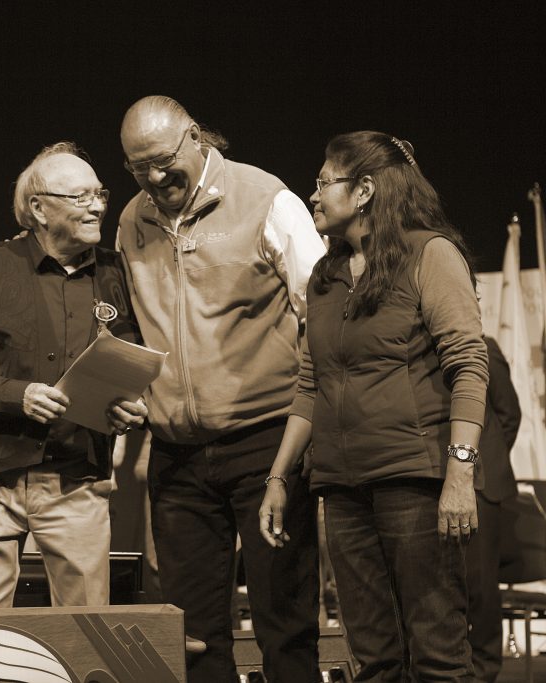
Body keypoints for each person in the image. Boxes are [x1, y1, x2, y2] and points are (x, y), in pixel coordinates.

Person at [259, 131, 489, 681]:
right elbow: (311, 383)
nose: (313, 195)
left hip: (414, 482)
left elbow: (468, 364)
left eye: (323, 183)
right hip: (342, 488)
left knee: (437, 653)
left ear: (363, 191)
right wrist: (278, 476)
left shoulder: (429, 254)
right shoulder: (325, 276)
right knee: (374, 658)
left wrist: (459, 474)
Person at [116, 96, 326, 682]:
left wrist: (307, 425)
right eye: (138, 168)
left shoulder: (267, 199)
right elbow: (131, 325)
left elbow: (321, 314)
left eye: (163, 161)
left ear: (196, 137)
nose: (155, 178)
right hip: (176, 455)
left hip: (267, 444)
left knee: (285, 624)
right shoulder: (131, 220)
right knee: (192, 638)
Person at [0, 142, 147, 608]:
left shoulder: (117, 274)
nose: (97, 206)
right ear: (39, 209)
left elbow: (134, 363)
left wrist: (131, 407)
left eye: (100, 194)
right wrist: (17, 395)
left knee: (86, 633)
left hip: (76, 481)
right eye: (80, 196)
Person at [466, 335, 520, 682]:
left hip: (484, 486)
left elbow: (509, 414)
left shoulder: (484, 347)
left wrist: (486, 461)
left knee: (481, 586)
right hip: (439, 481)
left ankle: (485, 670)